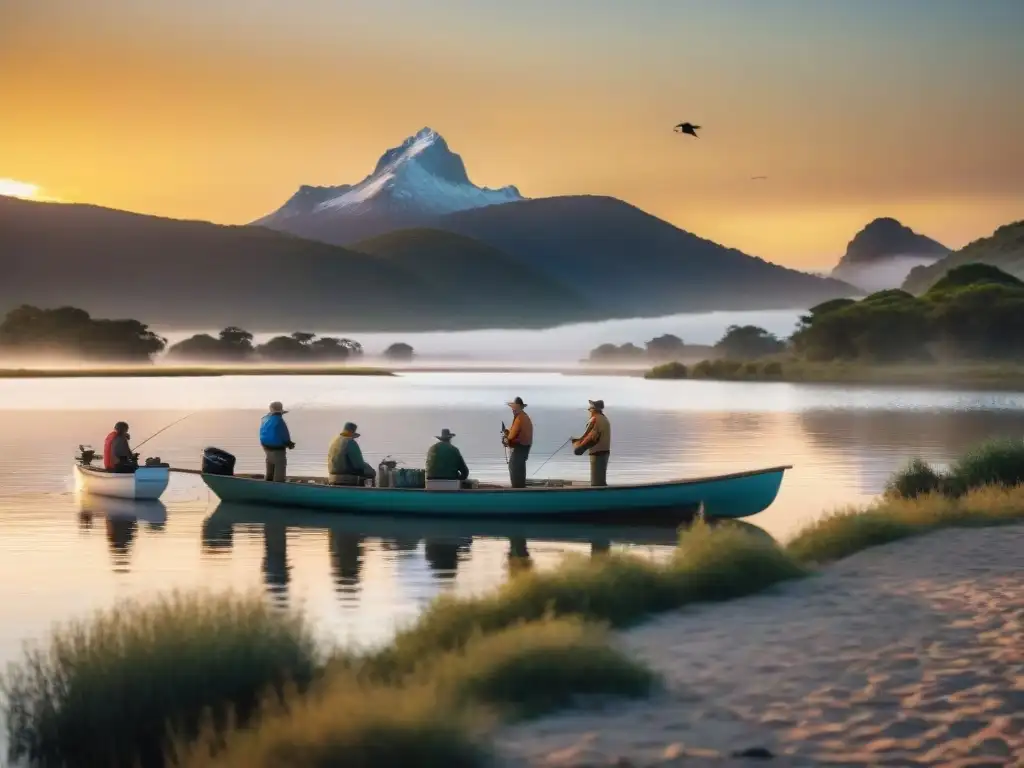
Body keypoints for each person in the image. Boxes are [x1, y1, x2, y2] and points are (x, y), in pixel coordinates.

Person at [572, 399, 612, 487]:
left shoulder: (595, 419)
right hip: (603, 452)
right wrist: (578, 440)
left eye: (590, 409)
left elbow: (591, 437)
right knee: (600, 480)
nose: (589, 411)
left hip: (598, 454)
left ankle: (598, 498)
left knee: (597, 484)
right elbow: (592, 434)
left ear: (594, 410)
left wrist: (579, 448)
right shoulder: (603, 418)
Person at [260, 401, 294, 482]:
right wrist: (289, 444)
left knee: (270, 466)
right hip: (278, 450)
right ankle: (278, 485)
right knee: (280, 468)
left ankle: (268, 482)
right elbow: (284, 435)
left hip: (266, 448)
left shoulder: (264, 419)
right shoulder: (279, 421)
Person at [503, 396, 533, 488]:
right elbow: (516, 433)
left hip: (519, 447)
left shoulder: (519, 418)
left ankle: (517, 489)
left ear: (519, 408)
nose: (513, 410)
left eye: (514, 408)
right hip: (525, 447)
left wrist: (505, 439)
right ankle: (521, 488)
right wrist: (508, 434)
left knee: (513, 467)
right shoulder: (525, 417)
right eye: (513, 408)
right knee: (520, 468)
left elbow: (511, 437)